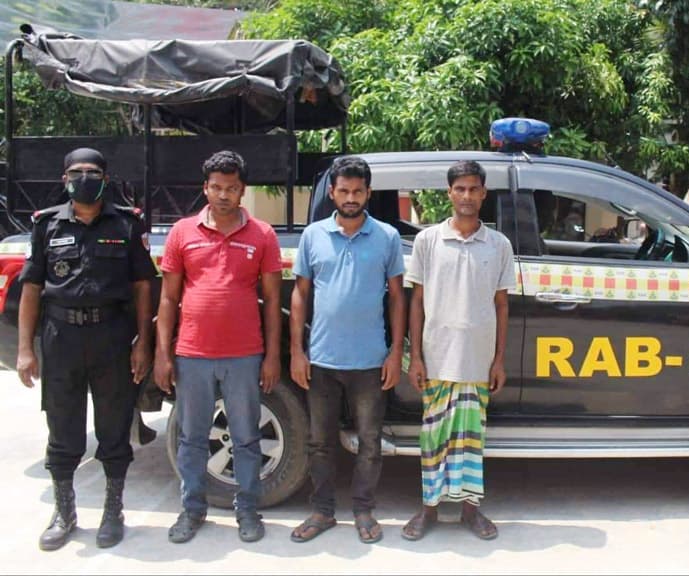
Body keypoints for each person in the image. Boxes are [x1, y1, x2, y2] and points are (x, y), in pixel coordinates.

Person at [16, 148, 156, 551]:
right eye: (76, 172)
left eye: (92, 172)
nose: (84, 177)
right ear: (64, 179)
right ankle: (65, 512)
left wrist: (142, 342)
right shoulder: (46, 226)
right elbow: (31, 289)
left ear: (105, 179)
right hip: (61, 338)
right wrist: (26, 349)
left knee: (114, 429)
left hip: (111, 336)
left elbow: (143, 285)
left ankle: (114, 511)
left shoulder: (127, 225)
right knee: (63, 430)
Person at [153, 150, 282, 544]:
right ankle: (192, 510)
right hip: (192, 354)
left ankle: (248, 510)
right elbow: (167, 299)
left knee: (246, 437)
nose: (223, 194)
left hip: (244, 354)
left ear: (243, 190)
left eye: (231, 187)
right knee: (191, 438)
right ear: (205, 188)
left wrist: (272, 355)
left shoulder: (262, 234)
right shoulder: (182, 233)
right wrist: (163, 354)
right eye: (216, 187)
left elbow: (273, 301)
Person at [288, 157, 405, 544]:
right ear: (333, 193)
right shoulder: (313, 236)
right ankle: (321, 511)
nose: (351, 198)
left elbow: (397, 300)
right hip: (321, 360)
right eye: (344, 191)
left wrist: (393, 354)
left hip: (370, 361)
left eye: (358, 191)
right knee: (319, 442)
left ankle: (363, 510)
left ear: (368, 193)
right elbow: (300, 294)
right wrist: (297, 352)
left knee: (369, 443)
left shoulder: (387, 237)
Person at [401, 160, 516, 542]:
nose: (466, 196)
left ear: (483, 193)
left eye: (473, 189)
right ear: (449, 193)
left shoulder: (498, 244)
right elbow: (416, 301)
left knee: (471, 440)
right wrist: (415, 356)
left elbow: (501, 305)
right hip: (436, 358)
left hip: (477, 361)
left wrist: (498, 359)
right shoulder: (427, 241)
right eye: (459, 189)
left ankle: (470, 511)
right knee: (433, 439)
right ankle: (428, 510)